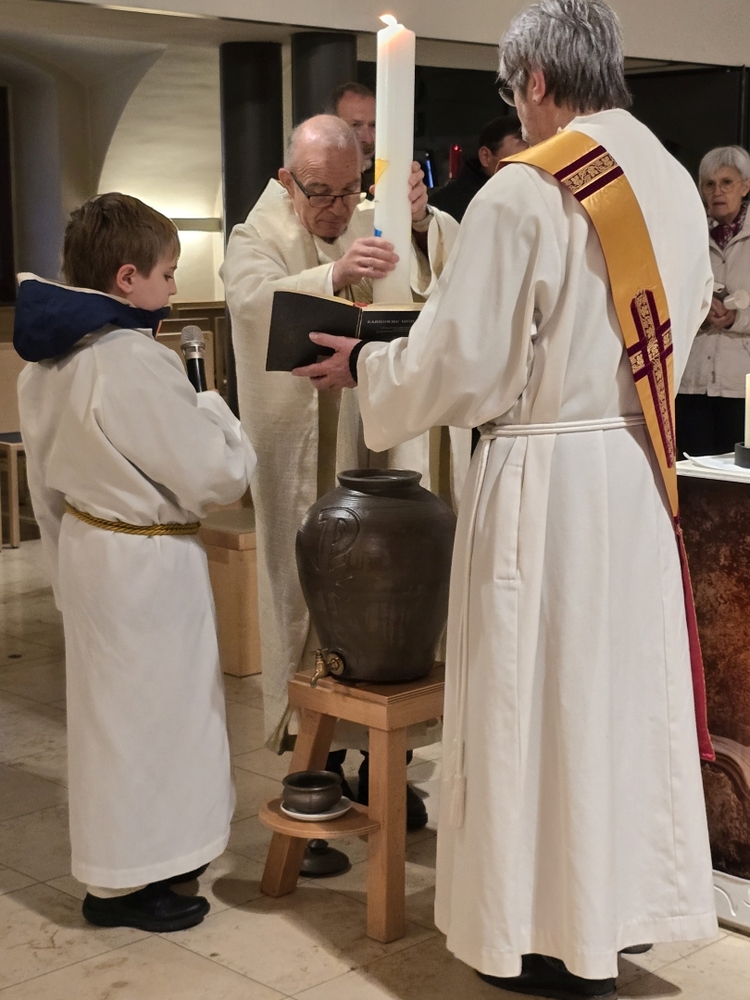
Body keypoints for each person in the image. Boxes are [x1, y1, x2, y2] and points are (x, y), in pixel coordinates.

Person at [292, 2, 717, 997]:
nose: (516, 115)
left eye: (512, 94)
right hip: (632, 469)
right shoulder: (668, 176)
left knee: (538, 703)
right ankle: (612, 911)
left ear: (534, 82)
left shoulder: (529, 188)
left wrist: (370, 369)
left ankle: (544, 932)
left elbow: (469, 362)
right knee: (611, 701)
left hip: (546, 479)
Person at [15, 193, 256, 932]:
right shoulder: (130, 360)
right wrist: (214, 410)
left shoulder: (45, 361)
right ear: (127, 277)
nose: (174, 288)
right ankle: (142, 881)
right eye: (168, 273)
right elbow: (216, 478)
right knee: (159, 721)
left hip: (91, 550)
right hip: (146, 566)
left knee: (110, 724)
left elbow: (43, 487)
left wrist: (62, 570)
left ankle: (117, 871)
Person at [222, 115, 463, 829]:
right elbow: (249, 302)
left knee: (394, 584)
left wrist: (418, 226)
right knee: (311, 589)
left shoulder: (373, 216)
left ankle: (384, 766)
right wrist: (332, 274)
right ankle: (316, 763)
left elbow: (441, 275)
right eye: (320, 193)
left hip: (377, 432)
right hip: (307, 447)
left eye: (350, 189)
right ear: (286, 180)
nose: (337, 207)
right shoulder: (255, 234)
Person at [677, 145, 750, 457]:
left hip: (741, 385)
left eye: (727, 182)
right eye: (709, 184)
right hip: (691, 380)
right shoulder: (686, 234)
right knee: (691, 473)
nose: (717, 191)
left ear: (745, 186)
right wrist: (699, 312)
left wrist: (736, 319)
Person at [429, 116, 528, 221]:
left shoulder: (529, 196)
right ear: (486, 157)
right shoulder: (445, 209)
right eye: (520, 160)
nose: (530, 170)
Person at [328, 81, 376, 192]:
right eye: (355, 125)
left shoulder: (388, 176)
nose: (369, 140)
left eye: (373, 125)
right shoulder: (313, 183)